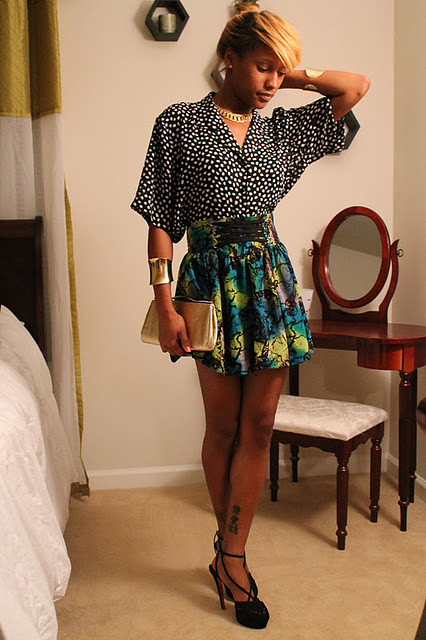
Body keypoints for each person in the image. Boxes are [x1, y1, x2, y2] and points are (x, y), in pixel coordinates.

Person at [131, 2, 369, 629]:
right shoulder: (179, 122)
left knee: (260, 425)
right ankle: (228, 546)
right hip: (206, 284)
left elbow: (355, 86)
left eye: (278, 72)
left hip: (267, 283)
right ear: (228, 58)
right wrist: (163, 303)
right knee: (221, 427)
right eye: (262, 67)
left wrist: (290, 74)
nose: (271, 82)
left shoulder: (283, 129)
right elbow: (160, 221)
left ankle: (231, 557)